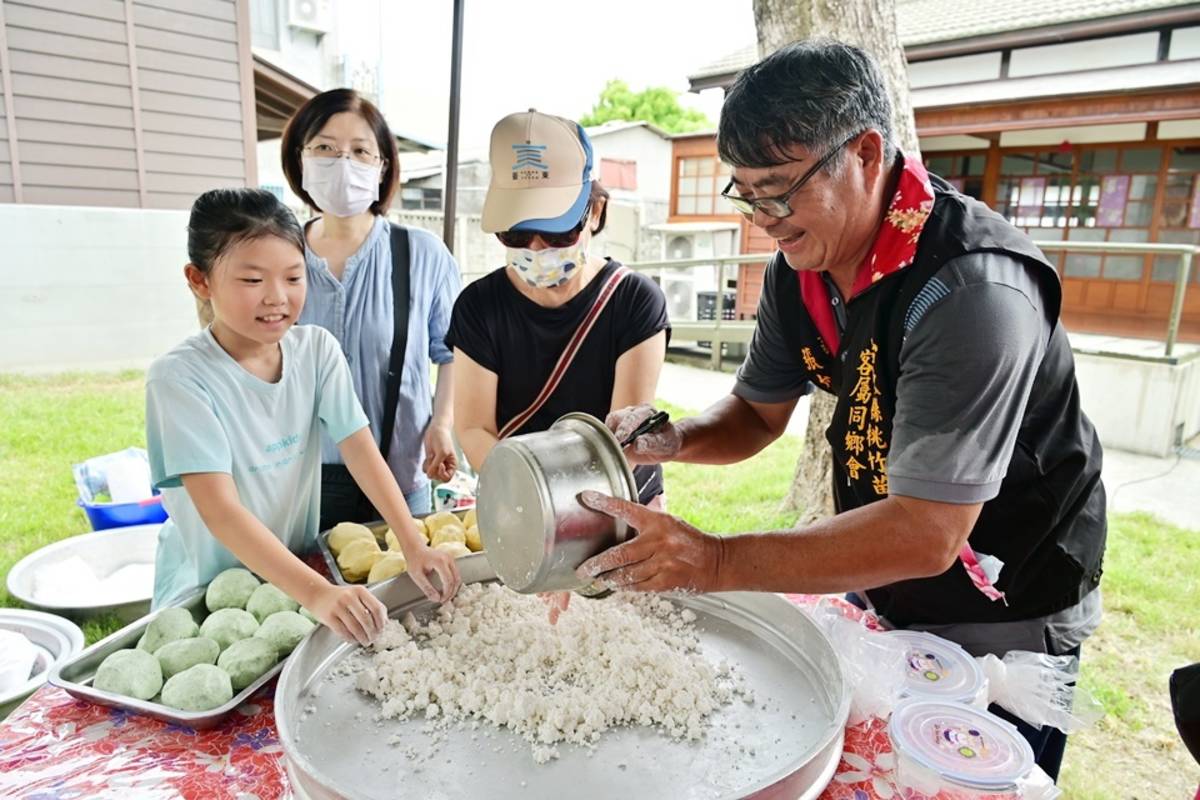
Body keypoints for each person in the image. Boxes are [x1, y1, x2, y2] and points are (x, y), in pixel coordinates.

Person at [579, 40, 1107, 781]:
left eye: (779, 190)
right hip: (889, 567)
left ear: (864, 152)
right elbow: (757, 416)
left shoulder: (970, 292)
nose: (764, 218)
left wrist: (714, 559)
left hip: (1009, 593)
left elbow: (928, 531)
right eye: (746, 193)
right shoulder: (804, 261)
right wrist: (667, 440)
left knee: (963, 779)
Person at [146, 188, 460, 645]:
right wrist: (318, 594)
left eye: (293, 278)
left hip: (290, 576)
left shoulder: (316, 351)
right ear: (200, 280)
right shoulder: (179, 379)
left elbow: (360, 448)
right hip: (208, 593)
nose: (277, 298)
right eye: (253, 281)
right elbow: (222, 513)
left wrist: (413, 543)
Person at [445, 110, 670, 504]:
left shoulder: (634, 300)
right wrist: (532, 499)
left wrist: (568, 506)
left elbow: (625, 441)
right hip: (523, 497)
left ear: (594, 212)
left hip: (618, 496)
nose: (535, 249)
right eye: (516, 232)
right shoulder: (478, 306)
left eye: (557, 231)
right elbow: (474, 427)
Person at [281, 89, 461, 527]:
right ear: (299, 159)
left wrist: (442, 424)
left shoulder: (422, 254)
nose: (342, 163)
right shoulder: (277, 253)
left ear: (382, 168)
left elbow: (453, 352)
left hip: (399, 477)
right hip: (295, 485)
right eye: (325, 147)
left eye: (360, 151)